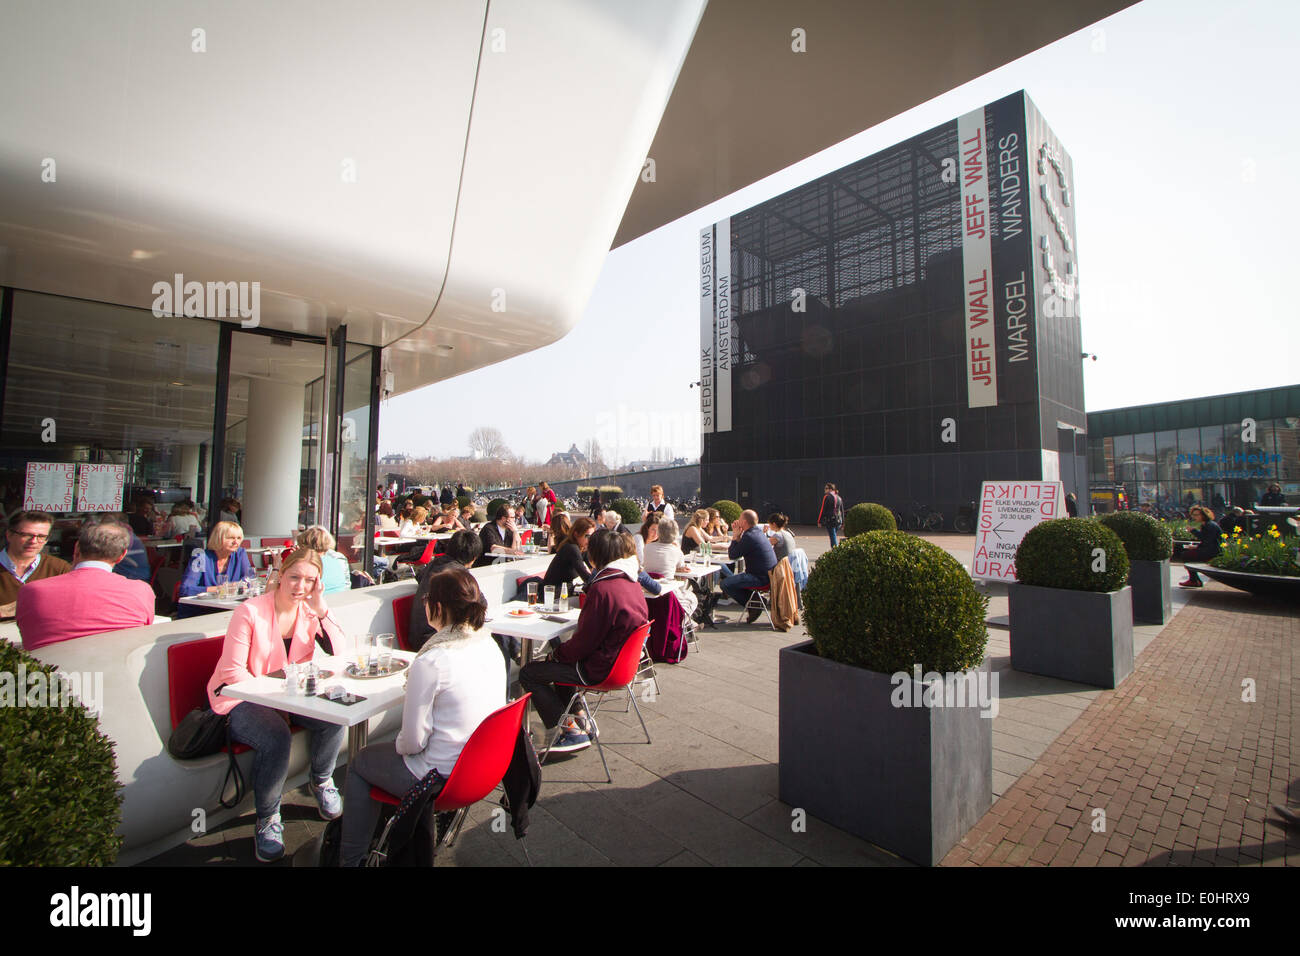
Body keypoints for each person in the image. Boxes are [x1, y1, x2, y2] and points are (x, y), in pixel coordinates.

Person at [341, 567, 504, 866]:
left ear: (437, 607)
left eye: (427, 598)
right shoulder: (489, 644)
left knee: (360, 762)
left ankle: (350, 860)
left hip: (440, 778)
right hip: (482, 768)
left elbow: (413, 743)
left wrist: (399, 744)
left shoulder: (432, 660)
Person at [207, 549, 348, 862]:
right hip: (241, 696)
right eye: (294, 577)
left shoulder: (310, 610)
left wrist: (322, 608)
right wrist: (277, 705)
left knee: (335, 716)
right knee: (276, 736)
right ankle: (268, 818)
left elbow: (341, 652)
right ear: (280, 575)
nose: (300, 586)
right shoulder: (250, 611)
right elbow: (233, 672)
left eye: (309, 580)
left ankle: (322, 780)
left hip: (290, 695)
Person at [520, 529, 648, 754]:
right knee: (559, 665)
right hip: (621, 665)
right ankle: (581, 721)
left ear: (595, 556)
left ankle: (570, 731)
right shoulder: (631, 583)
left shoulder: (603, 589)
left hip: (599, 668)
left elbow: (583, 644)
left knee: (529, 673)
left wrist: (556, 655)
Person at [18, 517, 155, 650]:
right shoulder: (141, 591)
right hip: (114, 670)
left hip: (47, 671)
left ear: (76, 548)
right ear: (122, 556)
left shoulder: (32, 591)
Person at [407, 531, 484, 650]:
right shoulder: (458, 575)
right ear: (473, 559)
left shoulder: (434, 564)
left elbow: (420, 577)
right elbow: (481, 603)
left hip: (418, 635)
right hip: (435, 638)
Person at [0, 510, 72, 619]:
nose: (34, 541)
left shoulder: (59, 568)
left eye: (41, 536)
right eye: (26, 535)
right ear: (9, 535)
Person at [718, 509, 778, 622]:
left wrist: (735, 535)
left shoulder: (749, 536)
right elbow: (741, 548)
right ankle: (754, 601)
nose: (737, 521)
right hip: (768, 575)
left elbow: (733, 555)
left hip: (760, 578)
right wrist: (739, 536)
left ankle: (753, 604)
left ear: (744, 522)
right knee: (724, 569)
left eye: (740, 519)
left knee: (725, 584)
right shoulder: (757, 533)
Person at [178, 521, 254, 598]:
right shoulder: (200, 556)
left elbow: (250, 578)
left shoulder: (240, 553)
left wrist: (242, 585)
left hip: (228, 604)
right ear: (218, 538)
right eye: (231, 538)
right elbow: (185, 589)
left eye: (239, 538)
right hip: (201, 606)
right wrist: (221, 589)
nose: (236, 542)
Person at [642, 517, 698, 617]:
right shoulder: (676, 551)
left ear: (659, 532)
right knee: (692, 597)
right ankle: (684, 620)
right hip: (668, 592)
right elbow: (681, 568)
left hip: (648, 590)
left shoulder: (647, 547)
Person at [543, 517, 595, 592]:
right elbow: (586, 576)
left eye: (592, 536)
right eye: (587, 536)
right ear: (576, 534)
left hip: (564, 590)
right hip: (553, 594)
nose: (590, 540)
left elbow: (593, 568)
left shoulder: (582, 548)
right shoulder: (571, 548)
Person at [1178, 505, 1223, 589]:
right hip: (1212, 549)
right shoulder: (1207, 524)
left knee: (1186, 555)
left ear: (1203, 515)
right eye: (1193, 515)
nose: (1194, 517)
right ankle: (1194, 580)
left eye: (1196, 515)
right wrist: (1196, 547)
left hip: (1213, 551)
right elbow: (1206, 540)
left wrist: (1193, 531)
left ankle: (1194, 580)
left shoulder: (1209, 525)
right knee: (1187, 555)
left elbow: (1207, 540)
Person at [297, 526, 351, 594]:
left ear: (304, 545)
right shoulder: (337, 560)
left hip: (319, 601)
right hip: (341, 598)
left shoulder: (309, 564)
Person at [817, 483, 844, 548]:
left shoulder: (827, 497)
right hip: (838, 521)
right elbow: (842, 510)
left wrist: (819, 521)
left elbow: (823, 510)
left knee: (833, 536)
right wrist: (843, 522)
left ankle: (835, 550)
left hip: (831, 520)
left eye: (826, 488)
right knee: (833, 534)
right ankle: (836, 549)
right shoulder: (839, 497)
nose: (825, 490)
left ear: (830, 489)